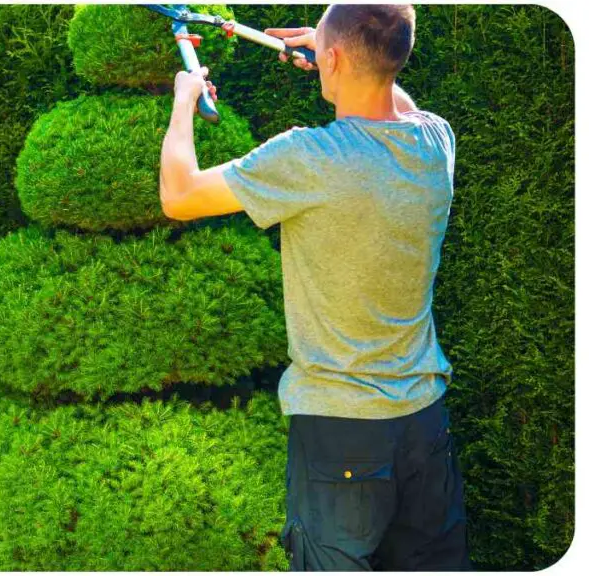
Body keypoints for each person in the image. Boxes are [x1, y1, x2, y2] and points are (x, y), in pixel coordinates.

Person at [158, 4, 471, 571]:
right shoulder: (436, 144)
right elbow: (395, 101)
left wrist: (184, 102)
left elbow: (179, 196)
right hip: (425, 423)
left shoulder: (311, 157)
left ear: (331, 58)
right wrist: (338, 57)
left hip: (340, 434)